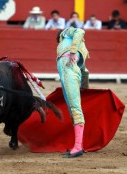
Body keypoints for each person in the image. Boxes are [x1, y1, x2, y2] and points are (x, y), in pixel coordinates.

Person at [56, 26, 89, 158]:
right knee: (72, 108)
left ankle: (77, 147)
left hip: (68, 70)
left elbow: (80, 31)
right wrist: (85, 87)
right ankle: (78, 145)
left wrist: (73, 51)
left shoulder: (66, 32)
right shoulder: (84, 48)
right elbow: (84, 70)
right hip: (68, 72)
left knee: (75, 108)